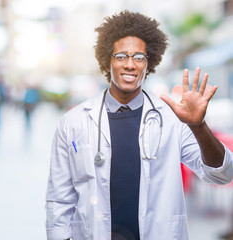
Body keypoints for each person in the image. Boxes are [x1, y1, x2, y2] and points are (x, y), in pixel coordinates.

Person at [45, 10, 233, 240]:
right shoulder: (73, 123)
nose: (130, 65)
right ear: (108, 60)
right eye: (121, 56)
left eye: (139, 57)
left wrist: (199, 126)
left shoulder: (173, 120)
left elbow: (223, 175)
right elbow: (59, 200)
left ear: (149, 62)